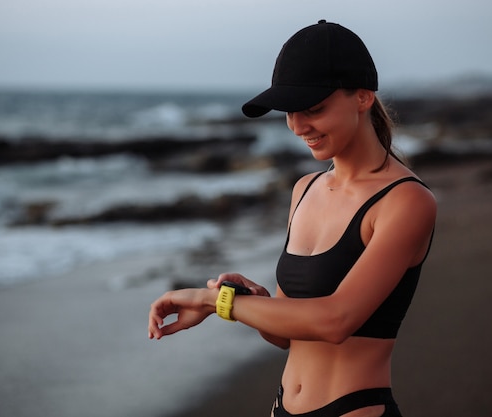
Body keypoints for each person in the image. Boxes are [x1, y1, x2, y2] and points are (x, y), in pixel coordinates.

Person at [148, 20, 436, 417]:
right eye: (290, 112)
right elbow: (286, 336)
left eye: (314, 109)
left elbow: (336, 320)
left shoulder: (406, 201)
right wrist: (253, 299)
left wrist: (216, 300)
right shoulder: (304, 190)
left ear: (363, 97)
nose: (299, 127)